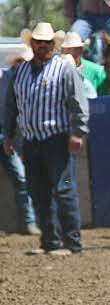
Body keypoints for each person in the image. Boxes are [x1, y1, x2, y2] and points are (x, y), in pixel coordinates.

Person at [4, 23, 90, 256]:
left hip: (57, 137)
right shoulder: (18, 72)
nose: (42, 45)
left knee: (63, 190)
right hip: (31, 140)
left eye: (47, 42)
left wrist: (77, 132)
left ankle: (72, 242)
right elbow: (11, 106)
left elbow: (78, 103)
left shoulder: (64, 69)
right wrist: (9, 134)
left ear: (54, 45)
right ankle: (49, 241)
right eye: (38, 42)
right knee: (38, 191)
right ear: (31, 44)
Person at [0, 47, 39, 235]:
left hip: (10, 138)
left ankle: (29, 221)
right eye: (20, 62)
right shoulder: (9, 78)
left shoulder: (29, 82)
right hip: (9, 136)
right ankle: (28, 221)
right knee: (21, 178)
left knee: (22, 178)